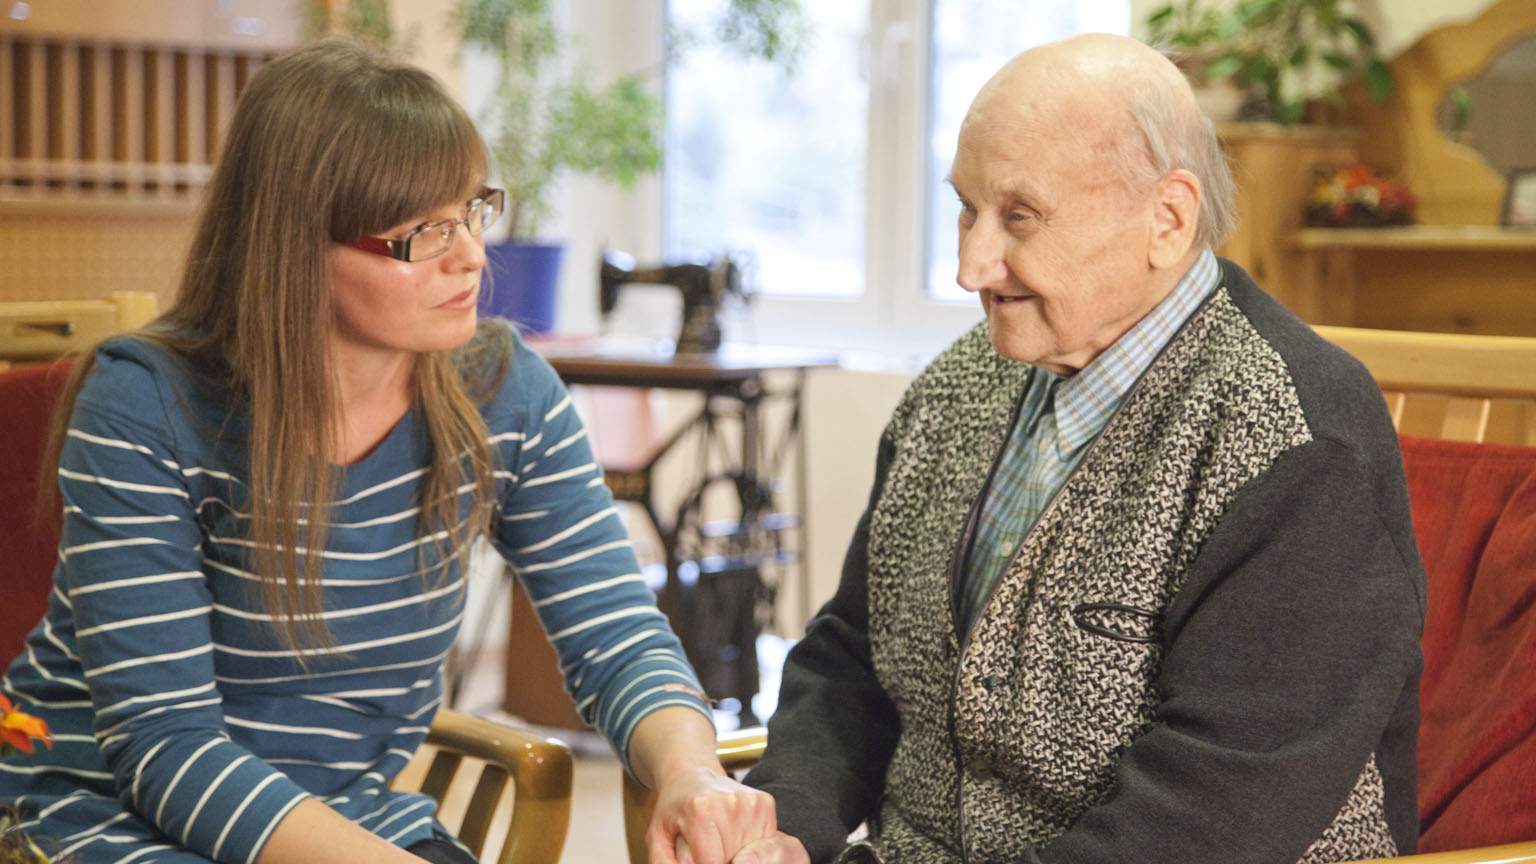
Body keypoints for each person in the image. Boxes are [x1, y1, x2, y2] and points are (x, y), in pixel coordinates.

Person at [0, 39, 775, 864]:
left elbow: (614, 633)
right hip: (102, 816)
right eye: (423, 233)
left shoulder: (505, 394)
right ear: (294, 246)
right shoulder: (148, 404)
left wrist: (693, 772)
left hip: (346, 823)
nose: (474, 256)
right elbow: (169, 750)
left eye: (474, 211)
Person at [732, 34, 1424, 864]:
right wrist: (784, 827)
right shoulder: (959, 383)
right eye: (966, 208)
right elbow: (854, 652)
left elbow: (1217, 813)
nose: (970, 266)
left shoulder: (1298, 436)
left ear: (1166, 219)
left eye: (1019, 216)